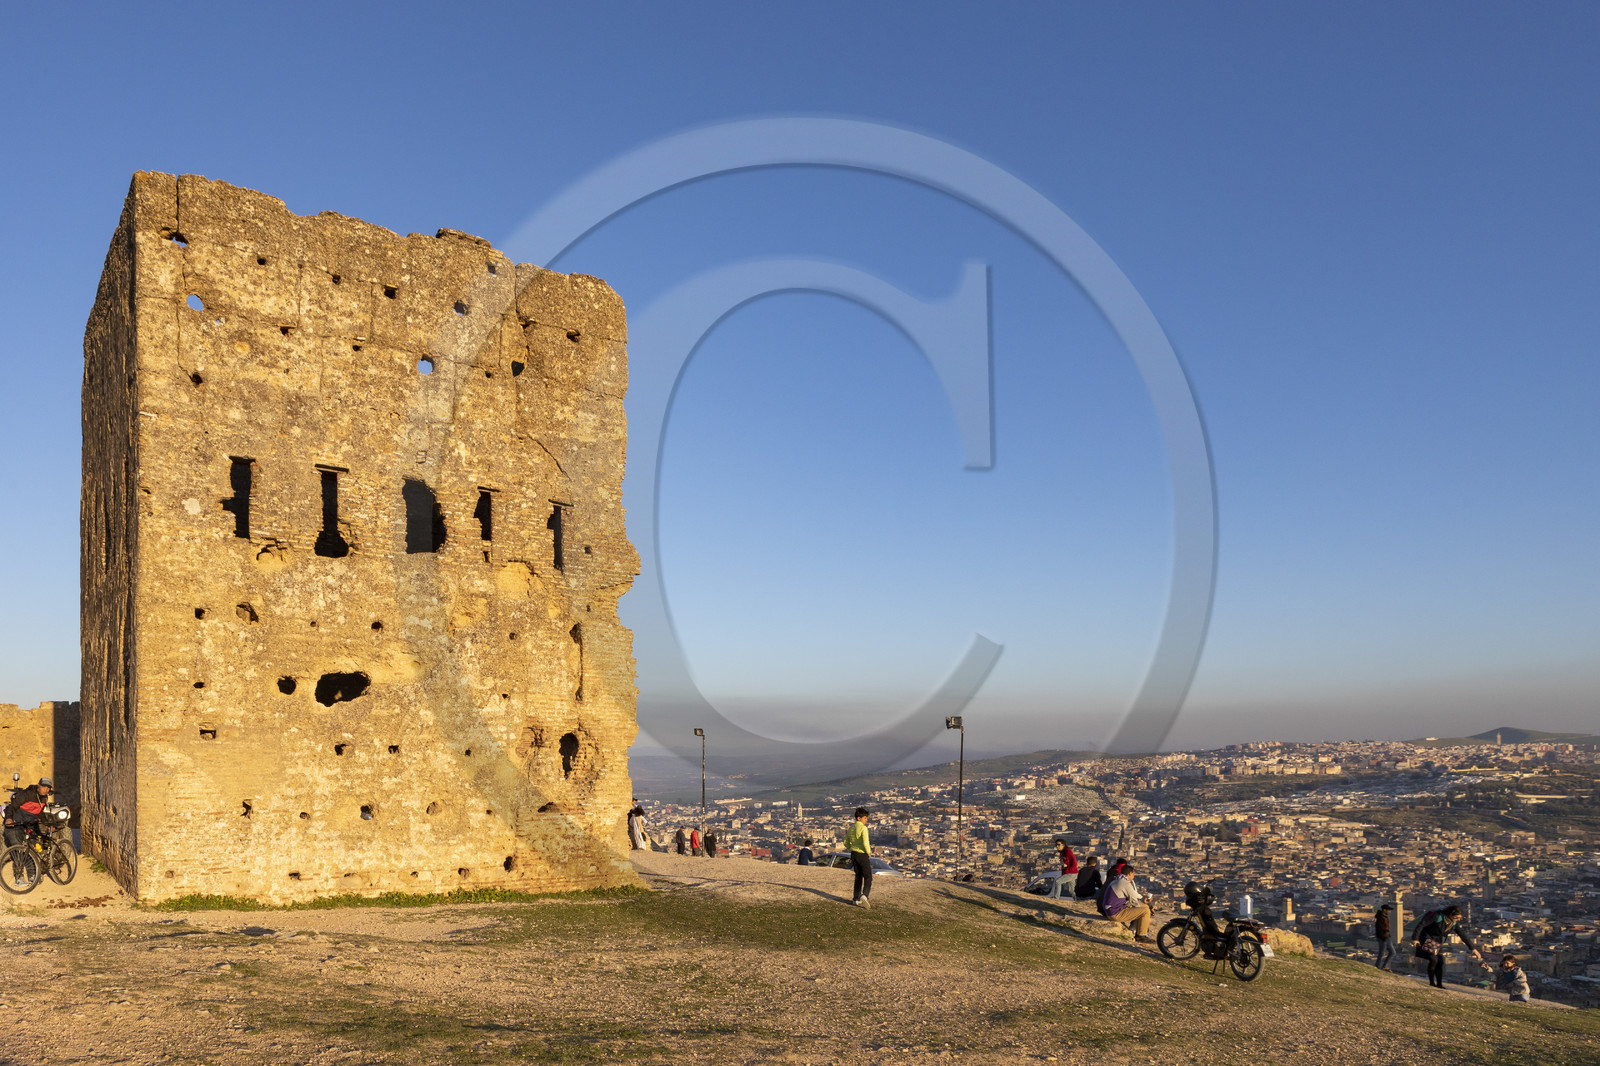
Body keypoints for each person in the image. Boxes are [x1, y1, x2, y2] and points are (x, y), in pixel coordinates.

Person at [1412, 905, 1485, 988]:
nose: (1458, 919)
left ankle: (1439, 984)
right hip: (1425, 940)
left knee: (1440, 961)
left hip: (1436, 943)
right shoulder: (1437, 916)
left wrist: (1473, 949)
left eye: (1460, 918)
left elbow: (1462, 935)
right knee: (1433, 959)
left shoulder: (1452, 923)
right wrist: (1415, 939)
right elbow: (1421, 924)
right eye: (1457, 917)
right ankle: (1432, 983)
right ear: (1451, 914)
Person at [1101, 862, 1152, 943]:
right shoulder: (1125, 883)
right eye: (1133, 873)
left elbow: (1133, 894)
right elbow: (1133, 899)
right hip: (1115, 913)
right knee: (1145, 911)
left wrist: (1142, 900)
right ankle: (1141, 936)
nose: (1134, 876)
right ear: (1130, 873)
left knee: (1144, 907)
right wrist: (1140, 906)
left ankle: (1138, 931)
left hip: (1111, 910)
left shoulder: (1118, 880)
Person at [2, 776, 52, 851]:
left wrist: (46, 824)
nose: (46, 790)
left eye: (48, 788)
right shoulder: (26, 794)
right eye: (44, 787)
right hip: (17, 822)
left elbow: (40, 812)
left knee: (37, 847)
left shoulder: (44, 798)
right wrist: (9, 818)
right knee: (17, 843)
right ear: (38, 785)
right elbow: (12, 807)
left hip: (30, 824)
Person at [845, 807, 873, 907]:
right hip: (862, 854)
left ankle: (855, 898)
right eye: (865, 818)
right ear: (859, 818)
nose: (866, 820)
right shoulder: (863, 828)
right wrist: (868, 852)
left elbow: (846, 842)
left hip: (854, 854)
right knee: (868, 876)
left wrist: (852, 848)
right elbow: (866, 842)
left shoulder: (851, 828)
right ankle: (865, 896)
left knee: (858, 877)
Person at [1373, 902, 1396, 970]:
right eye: (1389, 910)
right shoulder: (1380, 918)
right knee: (1382, 953)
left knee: (1392, 952)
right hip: (1383, 938)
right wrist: (1383, 937)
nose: (1390, 911)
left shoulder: (1384, 917)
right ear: (1384, 910)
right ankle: (1379, 967)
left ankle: (1384, 966)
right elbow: (1379, 929)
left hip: (1386, 937)